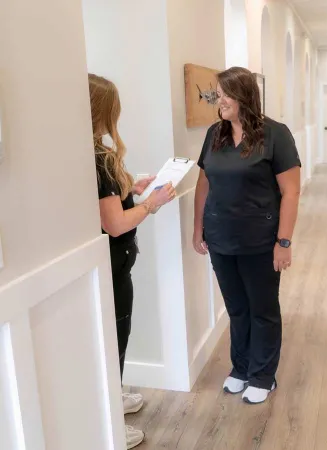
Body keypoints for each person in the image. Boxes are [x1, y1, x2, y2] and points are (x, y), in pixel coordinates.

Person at [193, 67, 301, 405]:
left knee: (262, 309)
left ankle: (263, 375)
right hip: (221, 238)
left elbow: (292, 192)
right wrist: (198, 228)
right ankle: (240, 369)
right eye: (217, 93)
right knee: (237, 308)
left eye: (225, 93)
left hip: (259, 240)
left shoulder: (275, 135)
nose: (219, 100)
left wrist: (283, 241)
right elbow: (204, 182)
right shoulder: (215, 134)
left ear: (244, 96)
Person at [88, 74, 176, 448]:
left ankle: (113, 394)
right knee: (115, 338)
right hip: (111, 266)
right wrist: (149, 205)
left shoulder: (87, 155)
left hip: (107, 266)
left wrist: (132, 189)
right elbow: (115, 223)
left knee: (110, 336)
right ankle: (110, 419)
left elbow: (105, 204)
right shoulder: (98, 159)